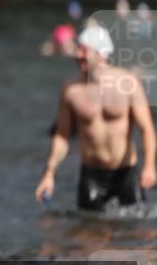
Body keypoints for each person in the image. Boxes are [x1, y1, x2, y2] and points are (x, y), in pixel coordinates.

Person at [34, 26, 156, 210]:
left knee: (136, 234)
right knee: (88, 234)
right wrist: (49, 173)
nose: (78, 54)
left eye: (84, 49)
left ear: (101, 54)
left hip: (125, 174)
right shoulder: (71, 91)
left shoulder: (128, 84)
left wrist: (149, 166)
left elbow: (146, 128)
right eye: (78, 49)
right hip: (91, 176)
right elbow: (62, 136)